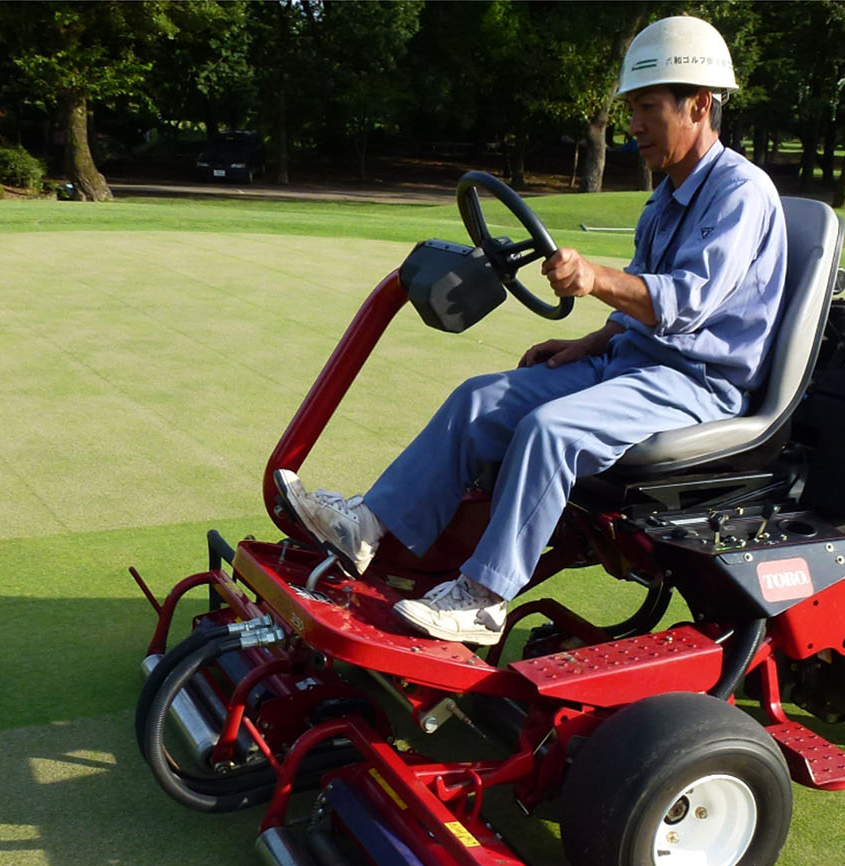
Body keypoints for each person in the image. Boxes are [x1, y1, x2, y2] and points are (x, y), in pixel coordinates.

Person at [276, 15, 785, 646]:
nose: (633, 125)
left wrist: (594, 277)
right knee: (481, 398)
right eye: (631, 108)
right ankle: (367, 526)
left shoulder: (741, 192)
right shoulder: (666, 198)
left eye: (648, 107)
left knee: (551, 431)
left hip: (697, 383)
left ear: (700, 105)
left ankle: (484, 598)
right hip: (634, 361)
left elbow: (690, 302)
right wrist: (588, 342)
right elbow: (641, 304)